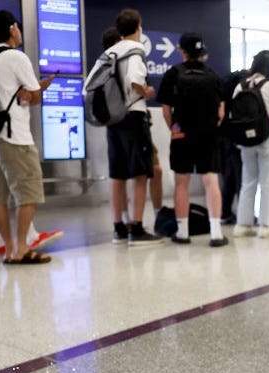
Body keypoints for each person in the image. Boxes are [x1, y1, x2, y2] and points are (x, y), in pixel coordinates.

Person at [0, 38, 62, 255]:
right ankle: (23, 247)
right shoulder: (14, 57)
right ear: (11, 29)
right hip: (14, 136)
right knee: (27, 192)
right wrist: (34, 91)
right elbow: (35, 96)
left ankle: (8, 247)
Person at [88, 9, 161, 246]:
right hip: (133, 117)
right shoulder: (135, 52)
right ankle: (137, 229)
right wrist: (147, 92)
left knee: (117, 174)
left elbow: (89, 84)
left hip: (114, 120)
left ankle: (119, 228)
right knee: (139, 174)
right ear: (138, 27)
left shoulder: (108, 53)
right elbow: (135, 81)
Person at [157, 32, 229, 247]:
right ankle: (216, 233)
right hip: (208, 136)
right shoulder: (214, 76)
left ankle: (183, 232)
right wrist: (209, 128)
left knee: (182, 182)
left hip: (182, 137)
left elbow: (166, 110)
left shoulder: (173, 74)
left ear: (181, 50)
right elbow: (221, 112)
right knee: (211, 181)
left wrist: (176, 129)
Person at [232, 50, 269, 238]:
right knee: (268, 182)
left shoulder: (241, 86)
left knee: (248, 180)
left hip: (245, 139)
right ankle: (264, 226)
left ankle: (243, 224)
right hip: (266, 136)